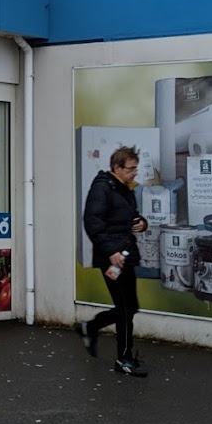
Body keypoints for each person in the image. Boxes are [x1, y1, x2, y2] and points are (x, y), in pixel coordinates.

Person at [76, 146, 149, 376]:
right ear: (117, 168)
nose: (135, 172)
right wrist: (110, 252)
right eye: (131, 168)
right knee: (126, 309)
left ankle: (91, 326)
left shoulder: (124, 188)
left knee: (130, 307)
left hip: (125, 254)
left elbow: (128, 216)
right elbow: (92, 222)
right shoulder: (102, 188)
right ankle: (124, 360)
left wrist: (141, 222)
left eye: (136, 168)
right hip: (113, 259)